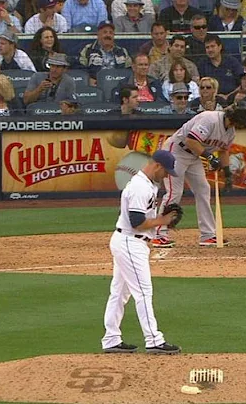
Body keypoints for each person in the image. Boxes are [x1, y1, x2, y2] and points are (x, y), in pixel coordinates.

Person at [102, 149, 182, 355]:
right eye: (165, 172)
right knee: (143, 292)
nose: (166, 176)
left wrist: (159, 219)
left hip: (128, 241)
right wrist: (162, 221)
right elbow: (137, 223)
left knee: (119, 293)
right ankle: (154, 340)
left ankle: (111, 339)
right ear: (156, 166)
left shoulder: (146, 184)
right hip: (130, 242)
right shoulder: (140, 187)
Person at [153, 102, 246, 247]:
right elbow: (190, 140)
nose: (245, 124)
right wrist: (209, 157)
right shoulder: (210, 119)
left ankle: (208, 235)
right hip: (176, 151)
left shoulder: (230, 131)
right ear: (237, 118)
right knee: (174, 193)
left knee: (203, 189)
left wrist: (227, 174)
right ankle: (159, 233)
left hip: (193, 156)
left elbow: (223, 151)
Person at [78, 22, 133, 86]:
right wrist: (87, 79)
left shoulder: (122, 51)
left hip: (119, 85)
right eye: (105, 32)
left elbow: (129, 69)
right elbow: (80, 67)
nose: (108, 35)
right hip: (96, 84)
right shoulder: (88, 49)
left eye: (111, 33)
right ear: (98, 34)